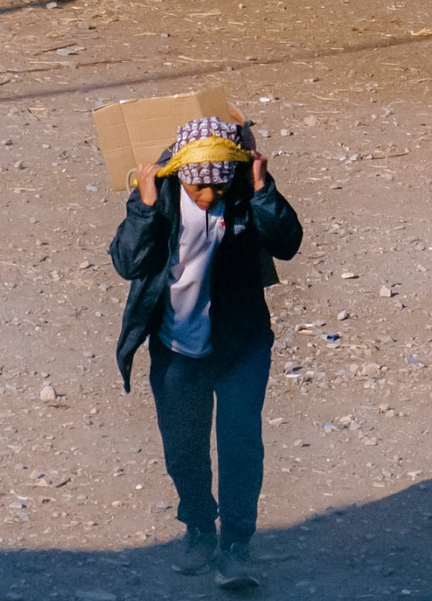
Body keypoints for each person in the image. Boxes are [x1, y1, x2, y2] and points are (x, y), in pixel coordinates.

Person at [112, 114, 303, 590]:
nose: (208, 196)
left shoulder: (242, 191)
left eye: (218, 187)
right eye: (199, 186)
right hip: (177, 348)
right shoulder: (162, 197)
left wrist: (261, 189)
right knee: (184, 449)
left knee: (240, 446)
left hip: (241, 345)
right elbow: (128, 262)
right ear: (181, 171)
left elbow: (288, 243)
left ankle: (235, 545)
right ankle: (199, 529)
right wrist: (143, 204)